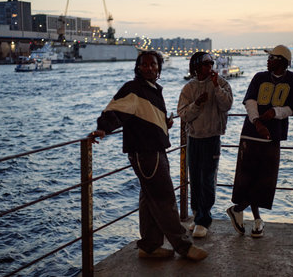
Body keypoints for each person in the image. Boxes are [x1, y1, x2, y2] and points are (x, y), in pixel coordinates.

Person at [88, 51, 208, 261]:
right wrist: (102, 129)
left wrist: (165, 123)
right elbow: (115, 111)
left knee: (148, 199)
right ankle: (183, 246)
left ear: (159, 68)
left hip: (155, 149)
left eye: (153, 64)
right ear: (138, 67)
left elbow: (146, 116)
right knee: (165, 199)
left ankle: (150, 245)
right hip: (145, 153)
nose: (149, 68)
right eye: (144, 65)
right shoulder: (133, 88)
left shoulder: (152, 89)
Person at [226, 45, 293, 238]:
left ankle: (240, 210)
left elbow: (292, 108)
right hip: (251, 134)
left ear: (282, 61)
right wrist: (257, 122)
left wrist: (275, 112)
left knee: (265, 180)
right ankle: (256, 219)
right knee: (248, 179)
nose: (268, 61)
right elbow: (250, 101)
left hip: (273, 135)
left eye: (272, 58)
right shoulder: (259, 77)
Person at [178, 52, 233, 238]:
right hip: (194, 138)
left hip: (212, 137)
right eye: (205, 63)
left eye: (211, 63)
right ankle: (197, 215)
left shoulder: (221, 83)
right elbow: (184, 115)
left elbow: (227, 105)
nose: (210, 67)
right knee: (194, 178)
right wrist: (197, 104)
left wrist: (216, 87)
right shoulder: (189, 88)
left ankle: (204, 219)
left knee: (208, 179)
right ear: (196, 66)